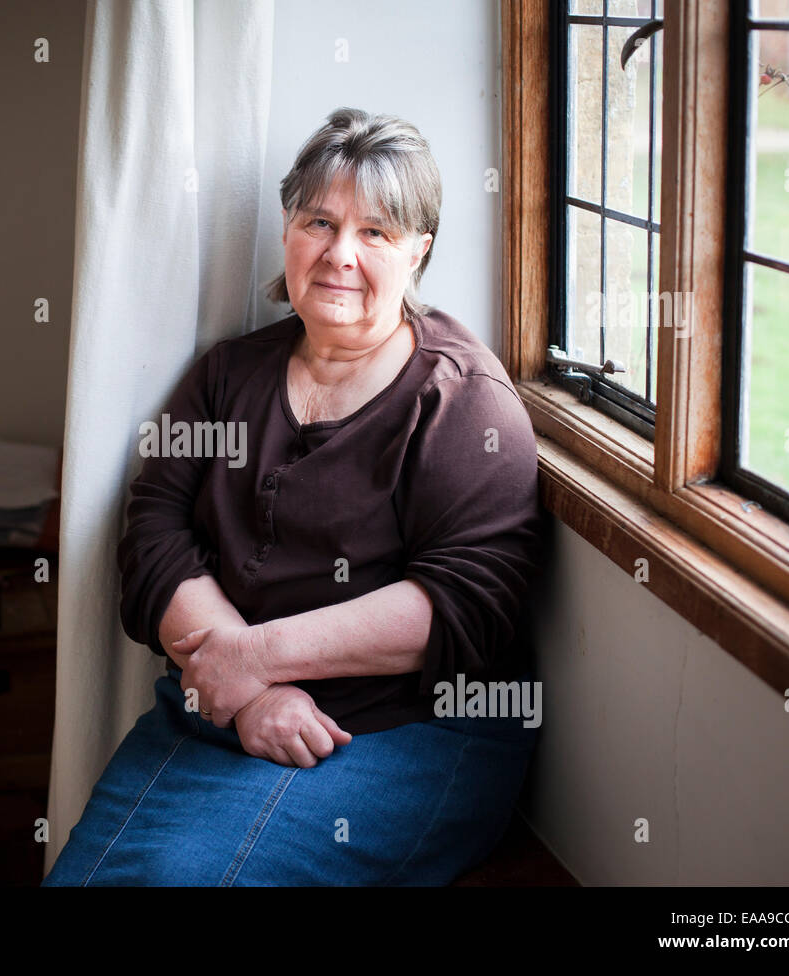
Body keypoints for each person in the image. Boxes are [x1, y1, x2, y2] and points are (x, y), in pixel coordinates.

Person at [43, 107, 545, 886]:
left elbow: (464, 604)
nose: (340, 254)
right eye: (320, 221)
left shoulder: (463, 404)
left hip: (403, 733)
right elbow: (153, 534)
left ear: (420, 251)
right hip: (221, 709)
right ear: (287, 231)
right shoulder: (227, 374)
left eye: (376, 232)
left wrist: (252, 658)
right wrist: (250, 695)